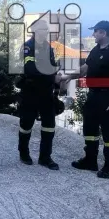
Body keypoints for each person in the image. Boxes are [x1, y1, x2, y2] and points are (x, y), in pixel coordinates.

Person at [17, 19, 70, 169]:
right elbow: (31, 69)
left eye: (46, 30)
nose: (45, 33)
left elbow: (51, 66)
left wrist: (56, 84)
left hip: (46, 93)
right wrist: (53, 74)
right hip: (30, 92)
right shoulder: (27, 47)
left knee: (49, 127)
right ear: (35, 31)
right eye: (43, 30)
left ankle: (45, 157)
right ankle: (24, 153)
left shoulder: (48, 47)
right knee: (26, 125)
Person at [70, 20, 109, 178]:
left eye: (95, 32)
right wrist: (67, 76)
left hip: (108, 97)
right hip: (93, 95)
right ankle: (90, 160)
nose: (93, 35)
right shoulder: (95, 50)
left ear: (103, 33)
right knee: (90, 129)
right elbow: (85, 68)